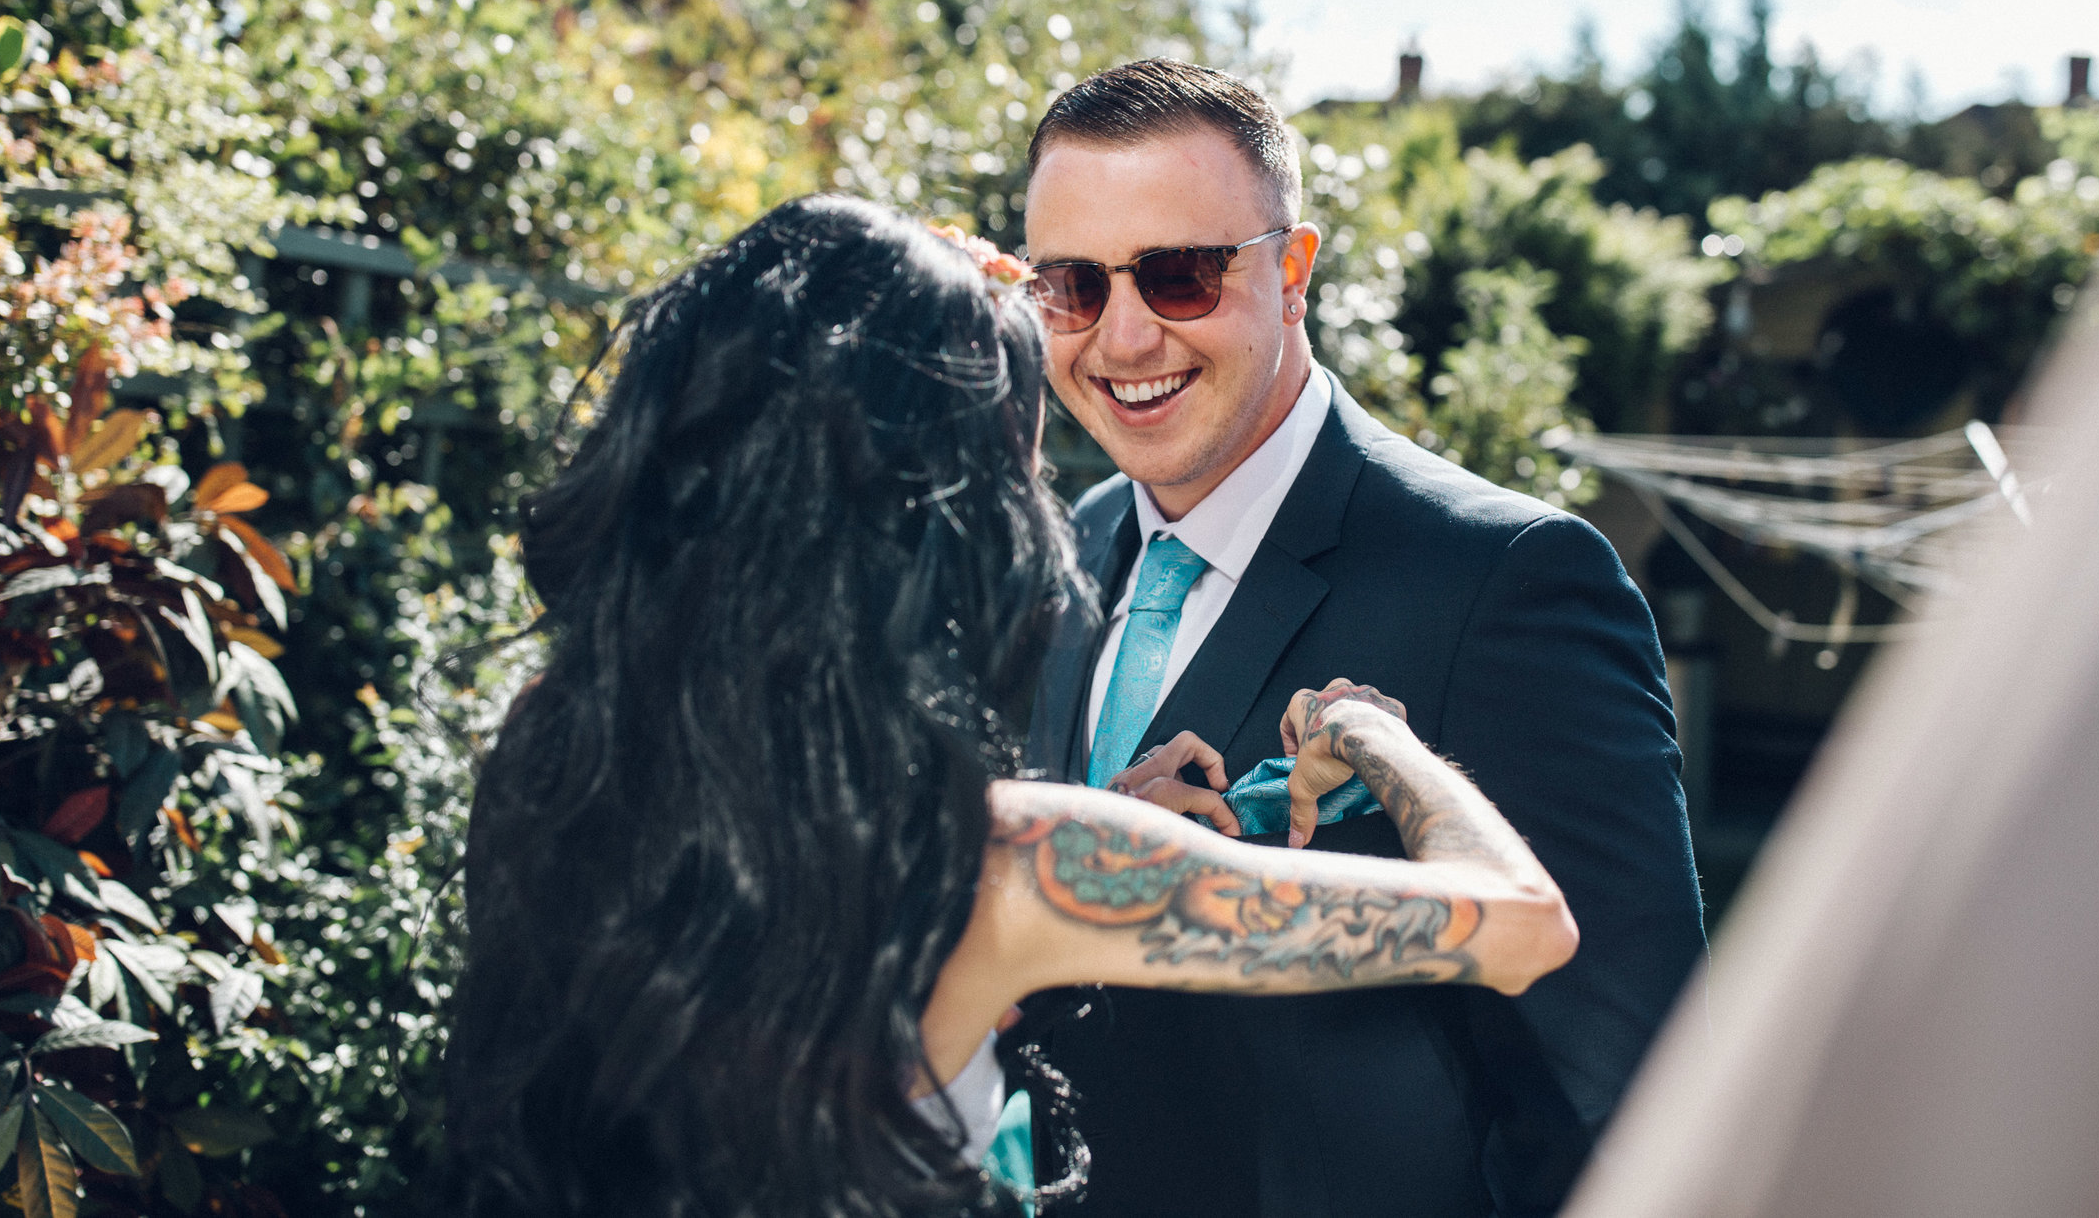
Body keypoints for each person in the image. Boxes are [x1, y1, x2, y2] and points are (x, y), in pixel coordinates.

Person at [443, 193, 1580, 1218]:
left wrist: (1100, 821)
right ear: (941, 527)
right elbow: (1521, 918)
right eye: (1017, 473)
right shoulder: (1013, 863)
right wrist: (1369, 734)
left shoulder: (553, 741)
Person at [1020, 59, 1706, 1217]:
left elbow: (1628, 1091)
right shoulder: (1069, 549)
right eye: (1073, 285)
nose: (1123, 336)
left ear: (1291, 271)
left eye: (1181, 275)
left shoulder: (1507, 580)